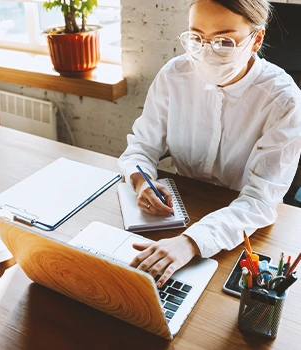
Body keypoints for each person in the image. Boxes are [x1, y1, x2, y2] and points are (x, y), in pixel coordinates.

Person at [118, 0, 301, 288]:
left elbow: (261, 201)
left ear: (257, 39)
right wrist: (142, 183)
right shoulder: (174, 75)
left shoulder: (283, 101)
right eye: (196, 38)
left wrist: (190, 242)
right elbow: (141, 147)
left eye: (224, 41)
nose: (206, 52)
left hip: (239, 236)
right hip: (173, 215)